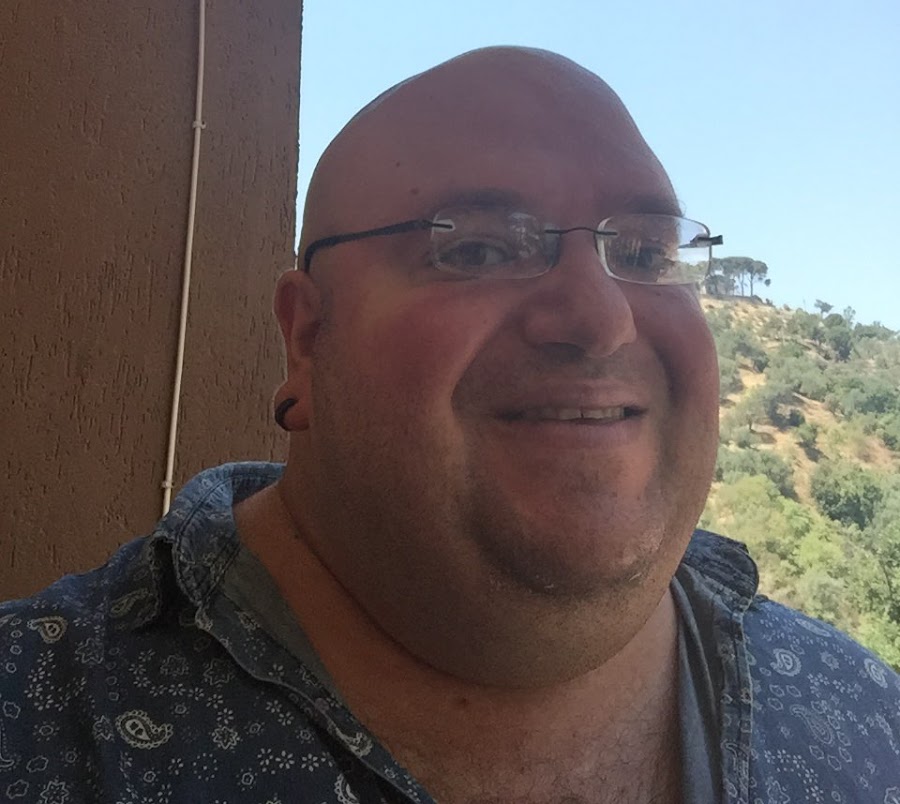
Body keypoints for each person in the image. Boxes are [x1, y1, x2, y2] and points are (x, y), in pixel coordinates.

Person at [1, 47, 898, 804]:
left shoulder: (867, 722)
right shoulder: (34, 728)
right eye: (477, 248)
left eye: (644, 253)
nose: (600, 319)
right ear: (307, 338)